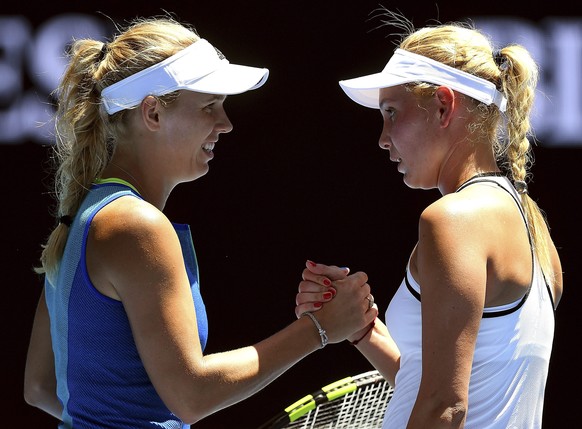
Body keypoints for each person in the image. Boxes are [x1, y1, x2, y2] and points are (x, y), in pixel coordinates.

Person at [23, 15, 377, 428]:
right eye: (209, 106)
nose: (225, 124)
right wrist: (320, 328)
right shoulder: (136, 225)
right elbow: (191, 395)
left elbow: (40, 387)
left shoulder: (84, 214)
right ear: (152, 112)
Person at [296, 10, 563, 429]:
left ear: (442, 106)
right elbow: (449, 387)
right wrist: (365, 330)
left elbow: (445, 408)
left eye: (391, 112)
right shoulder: (534, 229)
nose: (383, 138)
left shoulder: (452, 220)